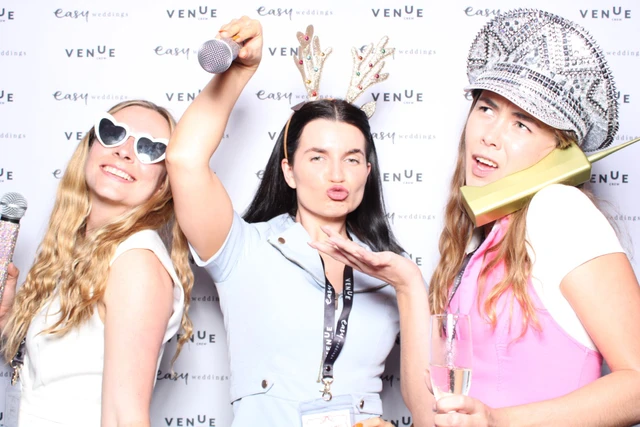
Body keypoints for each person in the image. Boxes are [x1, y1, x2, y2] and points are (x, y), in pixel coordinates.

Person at [311, 8, 640, 427]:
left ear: (559, 152)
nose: (490, 135)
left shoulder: (559, 210)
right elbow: (429, 414)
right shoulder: (479, 243)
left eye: (522, 124)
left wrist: (498, 420)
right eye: (486, 108)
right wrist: (408, 285)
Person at [166, 16, 403, 427]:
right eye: (317, 157)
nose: (337, 174)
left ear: (367, 171)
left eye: (351, 159)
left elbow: (433, 394)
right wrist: (238, 72)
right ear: (289, 171)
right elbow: (184, 159)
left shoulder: (393, 272)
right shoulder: (243, 249)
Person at [0, 100, 194, 427]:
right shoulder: (83, 249)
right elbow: (61, 375)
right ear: (90, 148)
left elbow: (124, 417)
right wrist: (7, 318)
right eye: (113, 132)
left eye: (149, 148)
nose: (125, 152)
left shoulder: (135, 262)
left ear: (163, 184)